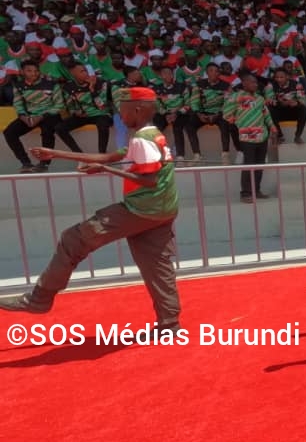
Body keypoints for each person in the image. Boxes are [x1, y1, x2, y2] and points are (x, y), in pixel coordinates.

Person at [0, 87, 183, 340]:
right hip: (163, 211)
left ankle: (39, 299)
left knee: (73, 238)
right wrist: (56, 153)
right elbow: (108, 156)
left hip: (142, 209)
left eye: (122, 108)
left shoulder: (142, 139)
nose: (119, 114)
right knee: (156, 264)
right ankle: (169, 323)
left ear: (137, 109)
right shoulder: (152, 136)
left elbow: (149, 180)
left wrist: (107, 171)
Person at [224, 72, 278, 203]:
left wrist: (273, 128)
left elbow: (266, 115)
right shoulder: (235, 97)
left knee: (260, 165)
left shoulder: (260, 98)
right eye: (252, 82)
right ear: (244, 83)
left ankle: (256, 190)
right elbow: (226, 113)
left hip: (262, 136)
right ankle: (245, 193)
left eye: (256, 83)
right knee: (249, 165)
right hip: (247, 137)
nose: (255, 84)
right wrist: (239, 122)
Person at [5, 60, 63, 173]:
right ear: (22, 72)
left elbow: (59, 104)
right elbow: (18, 103)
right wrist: (23, 117)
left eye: (36, 71)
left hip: (49, 114)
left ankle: (44, 164)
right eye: (29, 71)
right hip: (30, 115)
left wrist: (41, 116)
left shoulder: (51, 84)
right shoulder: (18, 86)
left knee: (47, 131)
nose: (34, 73)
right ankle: (26, 163)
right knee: (9, 132)